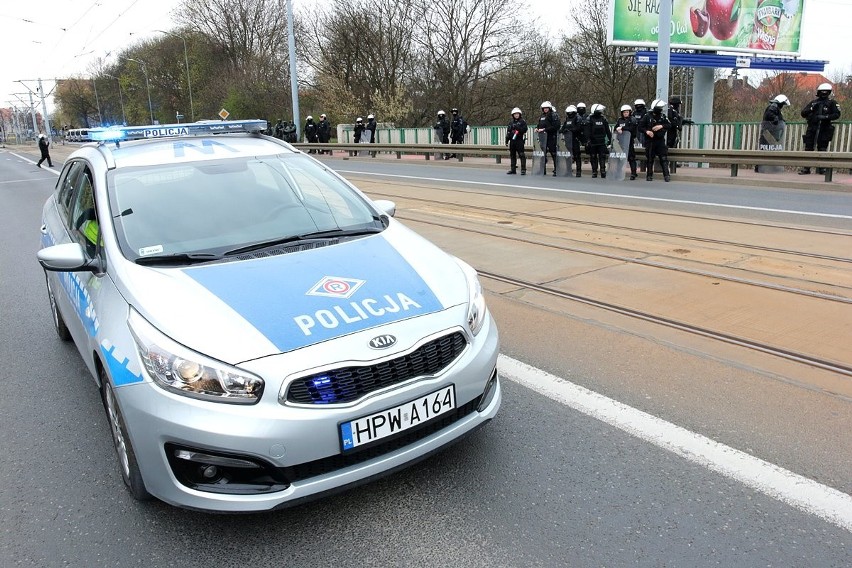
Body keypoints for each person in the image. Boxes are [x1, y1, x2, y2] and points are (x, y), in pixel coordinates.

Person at [799, 83, 842, 175]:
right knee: (808, 148)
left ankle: (822, 169)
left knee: (822, 148)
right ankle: (806, 168)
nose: (823, 94)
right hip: (812, 128)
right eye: (822, 92)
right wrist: (811, 109)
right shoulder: (814, 102)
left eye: (825, 92)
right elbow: (803, 113)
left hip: (824, 128)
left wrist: (825, 117)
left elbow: (837, 114)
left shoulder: (832, 103)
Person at [638, 99, 671, 182]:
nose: (661, 109)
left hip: (660, 141)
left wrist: (661, 126)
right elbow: (640, 127)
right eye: (659, 107)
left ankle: (666, 175)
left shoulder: (663, 116)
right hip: (650, 141)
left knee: (663, 158)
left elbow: (669, 125)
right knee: (650, 159)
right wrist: (647, 131)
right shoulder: (647, 116)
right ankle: (649, 175)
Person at [585, 104, 611, 178]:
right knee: (593, 157)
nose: (601, 112)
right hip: (593, 142)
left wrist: (611, 139)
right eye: (599, 110)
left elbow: (608, 131)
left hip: (601, 141)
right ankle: (594, 171)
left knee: (602, 156)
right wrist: (588, 140)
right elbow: (587, 131)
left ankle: (603, 171)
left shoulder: (603, 119)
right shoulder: (589, 119)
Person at [535, 101, 560, 176]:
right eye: (544, 108)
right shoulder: (542, 116)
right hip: (543, 137)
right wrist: (537, 128)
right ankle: (542, 169)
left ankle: (557, 169)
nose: (545, 109)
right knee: (543, 154)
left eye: (547, 108)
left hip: (551, 137)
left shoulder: (553, 115)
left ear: (549, 108)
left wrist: (545, 129)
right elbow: (539, 125)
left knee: (553, 153)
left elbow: (556, 126)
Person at [614, 104, 638, 180]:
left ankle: (633, 173)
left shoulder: (632, 119)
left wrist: (623, 128)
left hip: (629, 142)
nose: (626, 114)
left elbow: (632, 129)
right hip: (621, 142)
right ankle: (618, 172)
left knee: (631, 158)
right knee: (620, 158)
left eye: (627, 112)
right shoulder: (619, 120)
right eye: (624, 112)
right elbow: (615, 128)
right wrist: (618, 129)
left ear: (629, 112)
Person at [562, 105, 585, 177]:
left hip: (575, 139)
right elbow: (563, 127)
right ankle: (568, 170)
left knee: (577, 155)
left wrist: (570, 130)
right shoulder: (567, 119)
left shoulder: (577, 118)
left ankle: (578, 171)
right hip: (568, 140)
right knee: (568, 156)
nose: (569, 114)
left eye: (570, 112)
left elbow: (579, 128)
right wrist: (562, 130)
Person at [505, 107, 528, 175]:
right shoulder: (511, 122)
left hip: (519, 140)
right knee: (512, 155)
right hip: (512, 141)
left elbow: (524, 130)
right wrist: (507, 140)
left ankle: (523, 169)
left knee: (521, 154)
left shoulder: (522, 122)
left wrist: (518, 128)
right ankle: (513, 169)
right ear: (513, 115)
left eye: (517, 114)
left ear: (520, 114)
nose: (516, 115)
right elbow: (508, 132)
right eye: (515, 114)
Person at [633, 98, 648, 171]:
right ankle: (638, 163)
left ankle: (643, 164)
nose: (638, 107)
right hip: (636, 131)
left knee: (643, 146)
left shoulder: (646, 113)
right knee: (636, 146)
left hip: (643, 131)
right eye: (637, 105)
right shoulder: (634, 113)